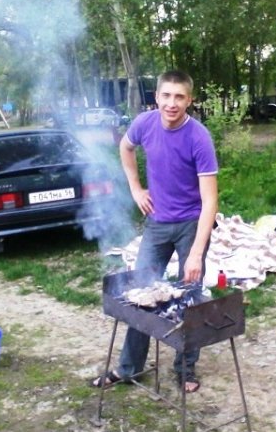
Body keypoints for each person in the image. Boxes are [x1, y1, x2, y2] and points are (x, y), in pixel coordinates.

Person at [90, 70, 219, 393]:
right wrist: (136, 188)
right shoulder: (144, 124)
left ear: (189, 100)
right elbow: (125, 147)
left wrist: (196, 254)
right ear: (157, 97)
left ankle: (185, 369)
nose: (172, 103)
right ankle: (129, 368)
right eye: (166, 96)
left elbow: (210, 201)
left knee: (189, 298)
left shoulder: (199, 137)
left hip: (191, 224)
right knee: (140, 293)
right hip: (157, 223)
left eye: (179, 97)